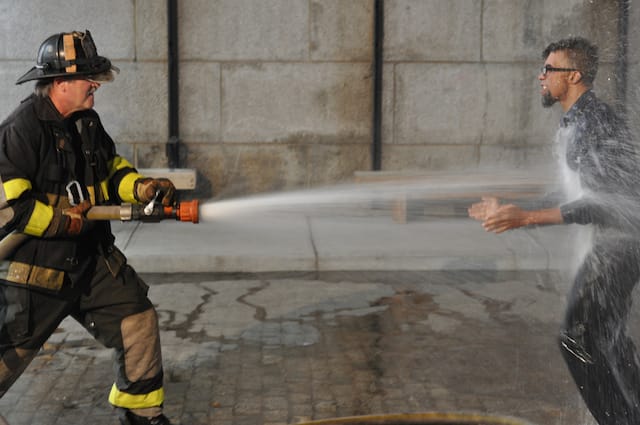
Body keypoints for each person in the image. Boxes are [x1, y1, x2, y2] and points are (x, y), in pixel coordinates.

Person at [0, 30, 177, 425]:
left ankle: (140, 411)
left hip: (90, 262)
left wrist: (142, 187)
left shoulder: (87, 123)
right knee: (6, 356)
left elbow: (112, 172)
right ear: (60, 82)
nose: (96, 85)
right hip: (36, 272)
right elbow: (11, 207)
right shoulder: (21, 130)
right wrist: (64, 219)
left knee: (137, 319)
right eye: (87, 78)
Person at [469, 37, 640, 424]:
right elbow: (575, 191)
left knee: (579, 339)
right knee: (608, 340)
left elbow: (605, 200)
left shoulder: (592, 122)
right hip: (618, 242)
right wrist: (516, 209)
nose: (540, 76)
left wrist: (526, 219)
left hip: (620, 244)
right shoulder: (577, 120)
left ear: (574, 75)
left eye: (549, 69)